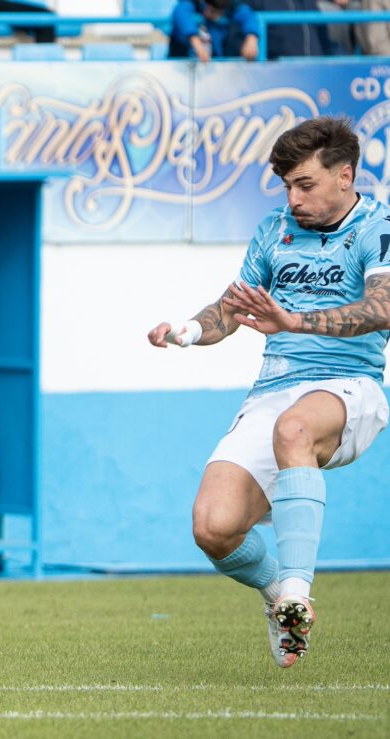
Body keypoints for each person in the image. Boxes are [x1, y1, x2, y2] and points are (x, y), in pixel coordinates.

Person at [147, 116, 390, 668]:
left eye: (304, 184)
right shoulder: (275, 228)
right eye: (287, 186)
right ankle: (280, 599)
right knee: (213, 526)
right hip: (274, 388)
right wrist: (185, 331)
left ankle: (300, 593)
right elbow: (232, 310)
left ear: (345, 175)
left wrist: (297, 320)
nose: (293, 197)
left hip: (350, 387)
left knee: (295, 429)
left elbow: (385, 307)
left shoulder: (379, 225)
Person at [169, 0, 260, 62]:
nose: (216, 16)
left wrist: (252, 38)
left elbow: (248, 16)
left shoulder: (232, 5)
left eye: (219, 12)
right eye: (212, 10)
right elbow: (181, 12)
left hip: (215, 64)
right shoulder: (189, 4)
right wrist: (195, 41)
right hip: (183, 63)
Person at [245, 0, 340, 58]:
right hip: (278, 74)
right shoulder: (253, 3)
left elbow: (324, 41)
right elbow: (239, 39)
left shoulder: (309, 2)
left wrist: (344, 57)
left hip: (315, 72)